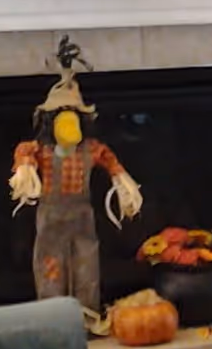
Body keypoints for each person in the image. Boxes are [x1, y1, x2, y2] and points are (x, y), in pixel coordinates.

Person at [8, 40, 144, 320]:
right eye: (61, 118)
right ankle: (53, 317)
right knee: (50, 262)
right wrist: (24, 170)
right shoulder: (40, 150)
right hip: (50, 213)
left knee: (86, 263)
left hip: (82, 214)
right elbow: (24, 154)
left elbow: (111, 163)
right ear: (49, 122)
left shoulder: (92, 149)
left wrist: (123, 184)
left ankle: (86, 315)